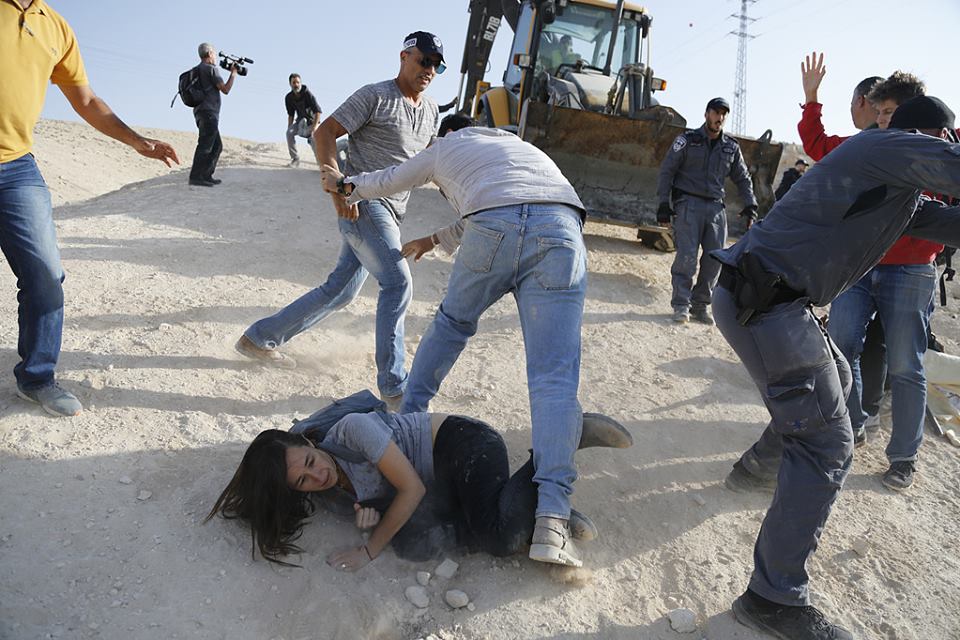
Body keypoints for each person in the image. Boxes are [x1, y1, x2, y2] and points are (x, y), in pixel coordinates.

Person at [711, 95, 960, 640]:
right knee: (827, 444)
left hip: (769, 301)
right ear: (930, 138)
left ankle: (754, 470)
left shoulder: (897, 191)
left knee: (839, 381)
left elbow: (948, 222)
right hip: (765, 305)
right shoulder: (886, 147)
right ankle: (772, 598)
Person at [319, 114, 591, 567]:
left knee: (451, 326)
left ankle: (410, 421)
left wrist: (346, 185)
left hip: (493, 226)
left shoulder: (445, 146)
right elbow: (514, 203)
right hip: (561, 227)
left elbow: (392, 179)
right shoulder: (519, 149)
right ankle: (552, 520)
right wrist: (435, 239)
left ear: (442, 135)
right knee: (554, 379)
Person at [235, 31, 442, 409]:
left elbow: (430, 163)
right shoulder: (375, 96)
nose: (429, 69)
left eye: (436, 65)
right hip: (363, 204)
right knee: (398, 283)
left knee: (341, 290)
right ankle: (395, 389)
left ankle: (258, 338)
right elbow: (325, 132)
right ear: (404, 57)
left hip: (393, 213)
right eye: (423, 60)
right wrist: (334, 182)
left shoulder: (431, 111)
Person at [1, 0, 178, 417]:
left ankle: (37, 378)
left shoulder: (57, 28)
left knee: (45, 275)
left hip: (16, 167)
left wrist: (137, 141)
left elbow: (85, 99)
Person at [206, 409, 632, 570]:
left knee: (499, 539)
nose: (315, 476)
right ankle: (538, 509)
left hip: (461, 445)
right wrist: (368, 520)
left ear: (308, 442)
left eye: (310, 462)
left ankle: (567, 437)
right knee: (412, 545)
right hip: (440, 487)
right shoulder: (325, 494)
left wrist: (369, 548)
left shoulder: (351, 430)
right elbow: (394, 506)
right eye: (302, 480)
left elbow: (408, 488)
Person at [656, 97, 757, 325]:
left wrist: (750, 204)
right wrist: (663, 204)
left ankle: (700, 305)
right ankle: (681, 305)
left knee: (715, 259)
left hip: (715, 208)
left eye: (723, 114)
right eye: (716, 112)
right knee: (687, 257)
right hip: (688, 205)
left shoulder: (731, 147)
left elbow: (743, 178)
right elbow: (667, 171)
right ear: (706, 114)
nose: (719, 118)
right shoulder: (686, 140)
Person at [188, 43, 237, 187]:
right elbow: (225, 89)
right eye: (214, 54)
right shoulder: (210, 69)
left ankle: (206, 175)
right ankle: (196, 177)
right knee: (205, 145)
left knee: (216, 146)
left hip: (199, 112)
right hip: (209, 112)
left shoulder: (196, 70)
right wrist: (233, 74)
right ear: (209, 53)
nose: (215, 57)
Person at [284, 73, 322, 168]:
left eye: (298, 82)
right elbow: (291, 115)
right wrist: (289, 128)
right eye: (294, 82)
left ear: (300, 83)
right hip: (300, 123)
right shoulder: (289, 98)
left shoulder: (307, 94)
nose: (296, 85)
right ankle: (295, 159)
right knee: (289, 133)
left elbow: (318, 112)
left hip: (312, 123)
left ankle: (321, 164)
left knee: (313, 139)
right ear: (290, 84)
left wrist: (314, 128)